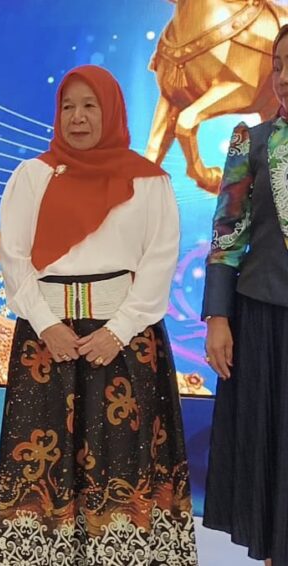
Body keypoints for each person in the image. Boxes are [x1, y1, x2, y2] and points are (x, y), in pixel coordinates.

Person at [0, 65, 197, 565]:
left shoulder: (149, 181)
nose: (77, 118)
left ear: (112, 111)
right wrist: (47, 325)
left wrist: (118, 331)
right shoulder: (31, 177)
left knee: (122, 461)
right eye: (68, 107)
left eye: (90, 106)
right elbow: (14, 258)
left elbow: (159, 261)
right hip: (47, 345)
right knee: (43, 467)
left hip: (124, 345)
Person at [203, 24, 288, 566]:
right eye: (278, 65)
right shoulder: (250, 142)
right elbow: (226, 236)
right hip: (265, 324)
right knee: (271, 454)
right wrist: (218, 316)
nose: (285, 77)